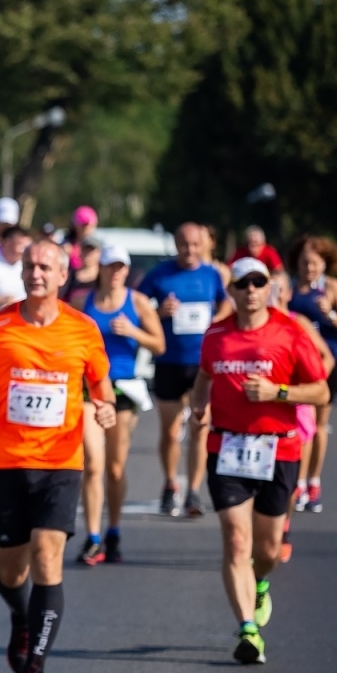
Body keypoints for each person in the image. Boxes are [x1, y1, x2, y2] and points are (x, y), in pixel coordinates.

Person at [0, 240, 115, 673]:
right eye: (29, 265)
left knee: (49, 560)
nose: (35, 273)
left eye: (45, 267)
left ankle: (34, 672)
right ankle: (21, 617)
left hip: (59, 463)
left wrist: (106, 409)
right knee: (12, 571)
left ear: (61, 276)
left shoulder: (83, 330)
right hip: (6, 461)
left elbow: (101, 387)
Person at [189, 257, 327, 664]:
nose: (250, 290)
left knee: (266, 549)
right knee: (235, 540)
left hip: (278, 449)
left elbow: (320, 392)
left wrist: (277, 394)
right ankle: (247, 629)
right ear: (230, 290)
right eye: (242, 283)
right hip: (227, 448)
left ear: (269, 288)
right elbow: (203, 377)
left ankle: (260, 582)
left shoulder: (290, 333)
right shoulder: (216, 336)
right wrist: (199, 407)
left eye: (258, 282)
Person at [76, 245, 165, 564]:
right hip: (89, 389)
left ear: (127, 271)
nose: (115, 273)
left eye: (120, 267)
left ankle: (113, 529)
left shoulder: (137, 302)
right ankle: (93, 536)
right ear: (100, 268)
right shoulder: (81, 301)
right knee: (93, 464)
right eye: (110, 266)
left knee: (114, 468)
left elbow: (159, 344)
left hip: (124, 389)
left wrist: (134, 331)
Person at [138, 222, 232, 518]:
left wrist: (215, 321)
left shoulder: (211, 274)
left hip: (202, 363)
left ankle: (193, 490)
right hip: (168, 362)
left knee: (200, 428)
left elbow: (227, 305)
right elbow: (136, 307)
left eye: (194, 245)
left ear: (202, 245)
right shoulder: (159, 275)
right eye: (183, 245)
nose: (189, 251)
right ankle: (169, 484)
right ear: (175, 245)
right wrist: (159, 312)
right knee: (169, 429)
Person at [287, 236, 337, 512]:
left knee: (318, 426)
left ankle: (313, 481)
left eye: (314, 263)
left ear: (325, 264)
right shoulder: (289, 288)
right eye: (304, 262)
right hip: (295, 364)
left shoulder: (332, 288)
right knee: (300, 425)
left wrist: (331, 315)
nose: (308, 268)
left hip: (326, 363)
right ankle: (297, 483)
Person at [61, 238, 101, 306]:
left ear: (99, 253)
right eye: (85, 250)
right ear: (80, 252)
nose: (88, 254)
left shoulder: (103, 277)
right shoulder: (70, 276)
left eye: (91, 250)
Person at [67, 205, 99, 270]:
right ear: (75, 226)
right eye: (83, 225)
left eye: (88, 225)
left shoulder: (100, 246)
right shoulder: (67, 247)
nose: (86, 229)